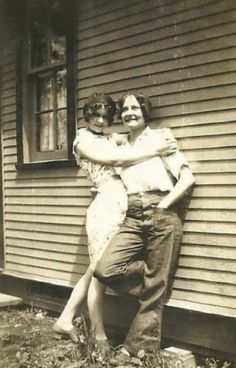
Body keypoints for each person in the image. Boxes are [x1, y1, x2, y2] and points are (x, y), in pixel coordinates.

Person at [52, 92, 177, 348]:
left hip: (125, 202)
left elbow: (136, 135)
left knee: (94, 269)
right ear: (86, 115)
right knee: (99, 270)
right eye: (95, 116)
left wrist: (163, 138)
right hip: (107, 204)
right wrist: (157, 148)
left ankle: (66, 318)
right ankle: (98, 336)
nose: (100, 121)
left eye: (106, 117)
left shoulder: (110, 136)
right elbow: (115, 159)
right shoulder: (81, 140)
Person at [94, 92, 195, 364]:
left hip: (162, 210)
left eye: (135, 108)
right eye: (125, 109)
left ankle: (136, 352)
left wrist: (164, 204)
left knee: (155, 288)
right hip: (133, 216)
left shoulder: (160, 138)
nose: (129, 113)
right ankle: (155, 286)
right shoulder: (121, 145)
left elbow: (187, 178)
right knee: (105, 268)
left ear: (144, 111)